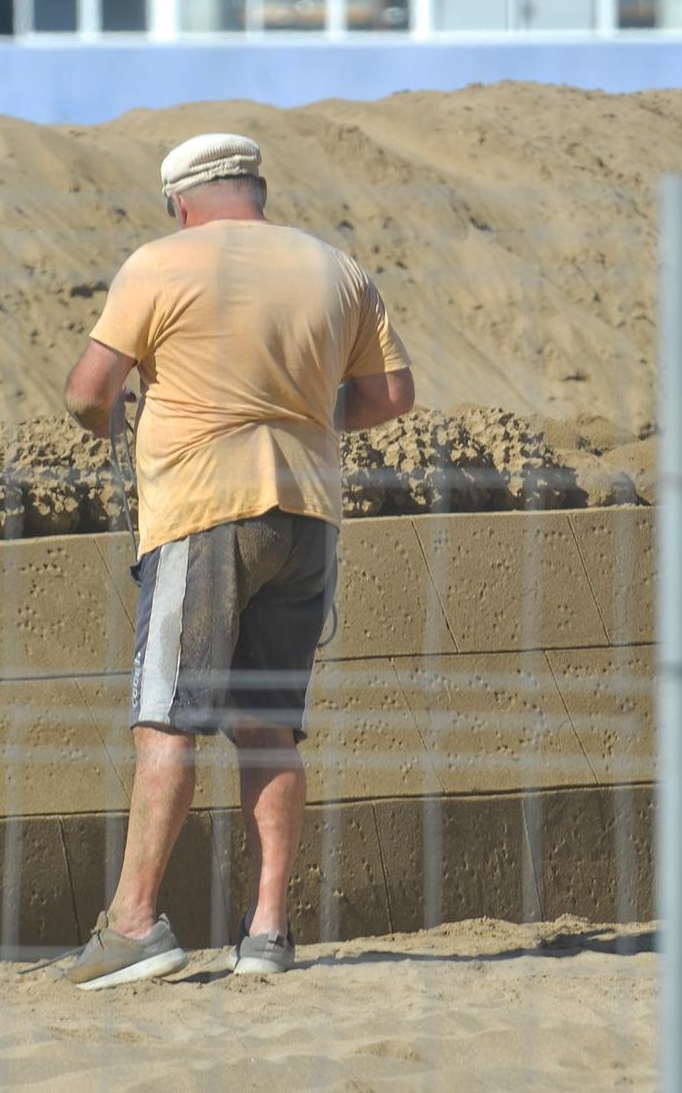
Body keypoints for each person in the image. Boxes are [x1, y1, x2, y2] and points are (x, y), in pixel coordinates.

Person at [59, 132, 415, 988]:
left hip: (203, 511)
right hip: (306, 517)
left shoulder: (161, 263)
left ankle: (136, 922)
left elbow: (84, 390)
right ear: (254, 189)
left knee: (167, 718)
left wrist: (116, 422)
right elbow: (392, 395)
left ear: (182, 202)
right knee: (269, 725)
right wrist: (300, 412)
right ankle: (266, 931)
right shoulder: (337, 268)